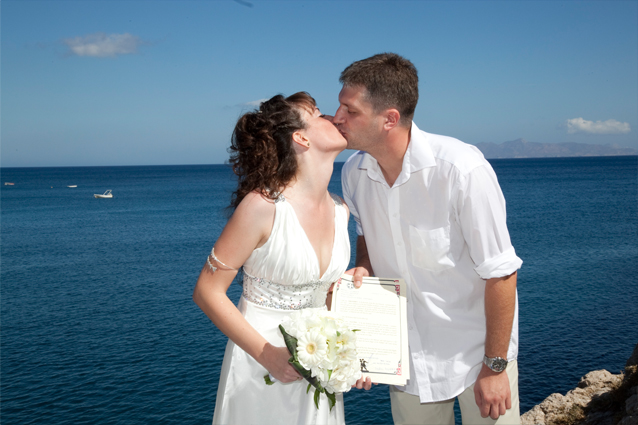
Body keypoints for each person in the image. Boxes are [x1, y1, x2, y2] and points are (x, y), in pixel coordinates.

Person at [335, 53, 523, 424]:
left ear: (389, 118)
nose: (337, 118)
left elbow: (501, 272)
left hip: (477, 356)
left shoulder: (461, 170)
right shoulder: (354, 173)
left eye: (349, 110)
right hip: (409, 361)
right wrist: (364, 265)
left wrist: (496, 367)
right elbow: (365, 233)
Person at [193, 92, 352, 424]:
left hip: (317, 364)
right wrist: (269, 356)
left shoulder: (341, 210)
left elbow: (326, 294)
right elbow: (207, 291)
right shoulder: (262, 207)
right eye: (319, 114)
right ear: (301, 138)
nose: (333, 118)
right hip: (261, 363)